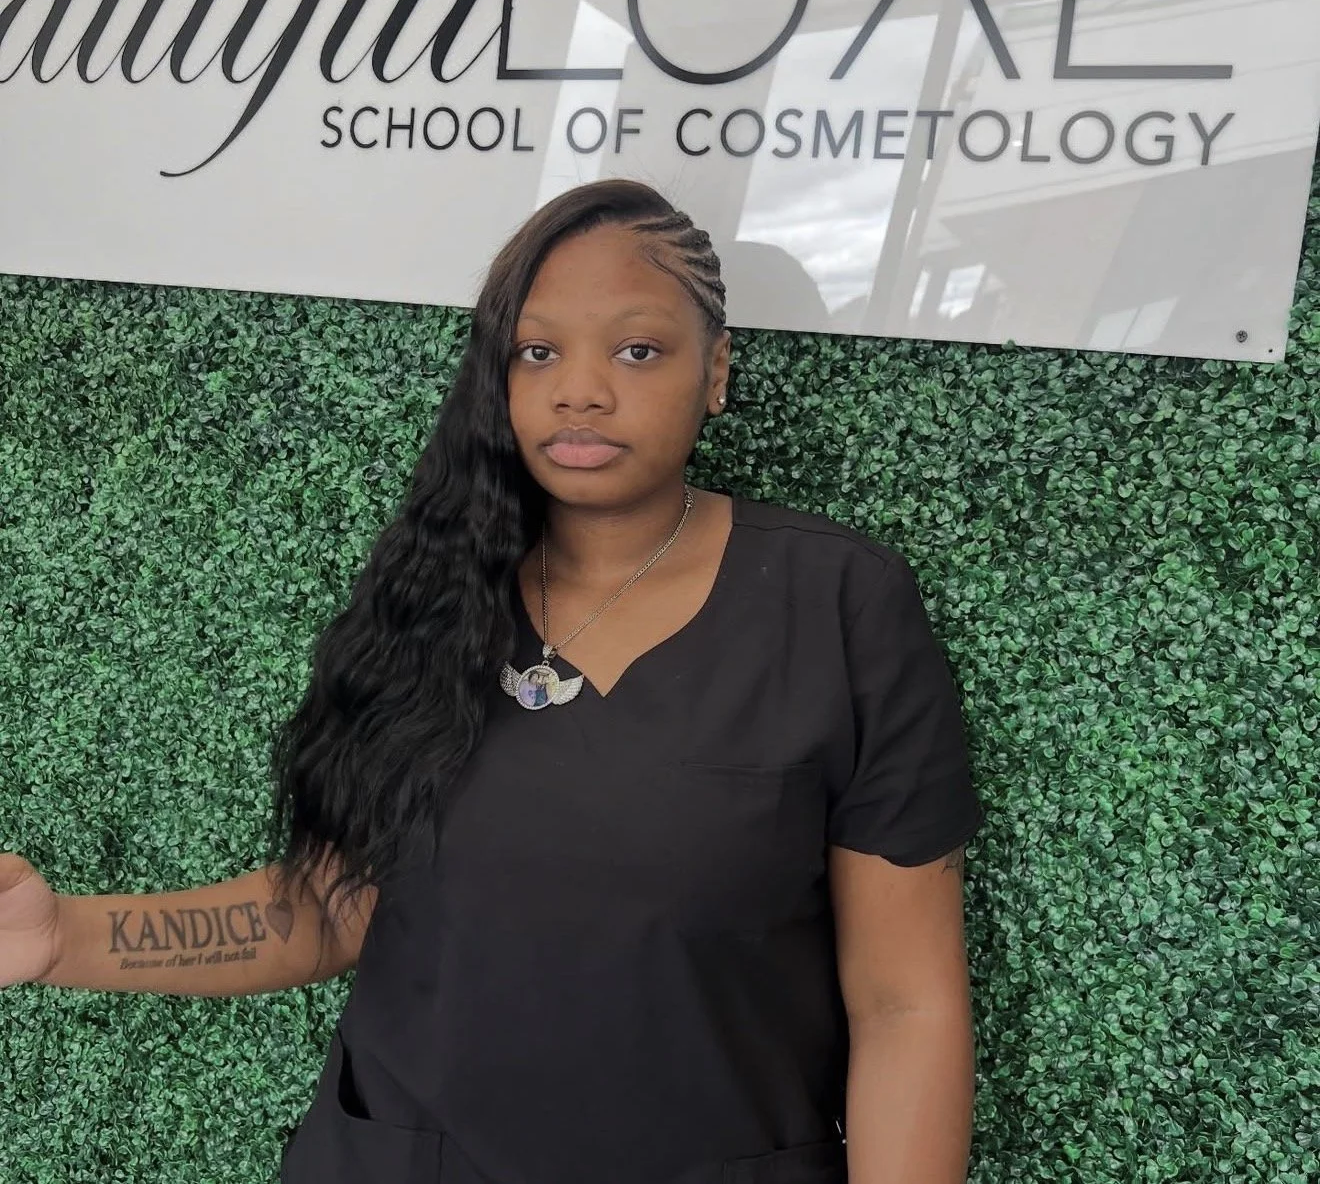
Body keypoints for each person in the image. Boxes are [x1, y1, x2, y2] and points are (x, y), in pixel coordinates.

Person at [0, 178, 986, 1184]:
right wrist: (60, 936)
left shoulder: (835, 603)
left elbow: (905, 1001)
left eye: (637, 349)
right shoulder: (433, 594)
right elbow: (338, 908)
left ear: (717, 370)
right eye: (538, 350)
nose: (581, 390)